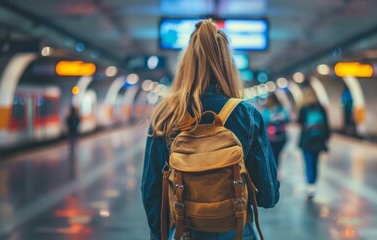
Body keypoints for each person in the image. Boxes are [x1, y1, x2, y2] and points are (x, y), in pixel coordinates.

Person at [141, 19, 280, 240]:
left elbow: (151, 190)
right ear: (228, 66)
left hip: (184, 231)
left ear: (185, 65)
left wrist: (159, 235)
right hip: (236, 231)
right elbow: (268, 196)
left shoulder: (165, 115)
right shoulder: (248, 114)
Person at [297, 93, 330, 199]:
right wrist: (326, 138)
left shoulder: (304, 109)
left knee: (308, 162)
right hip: (319, 140)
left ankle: (310, 186)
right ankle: (313, 184)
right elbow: (327, 124)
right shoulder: (321, 108)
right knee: (315, 163)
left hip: (307, 140)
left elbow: (300, 122)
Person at [262, 93, 290, 167]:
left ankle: (273, 171)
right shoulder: (282, 110)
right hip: (282, 137)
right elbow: (288, 119)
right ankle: (276, 169)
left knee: (272, 156)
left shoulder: (266, 111)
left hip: (270, 138)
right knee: (277, 155)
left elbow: (263, 122)